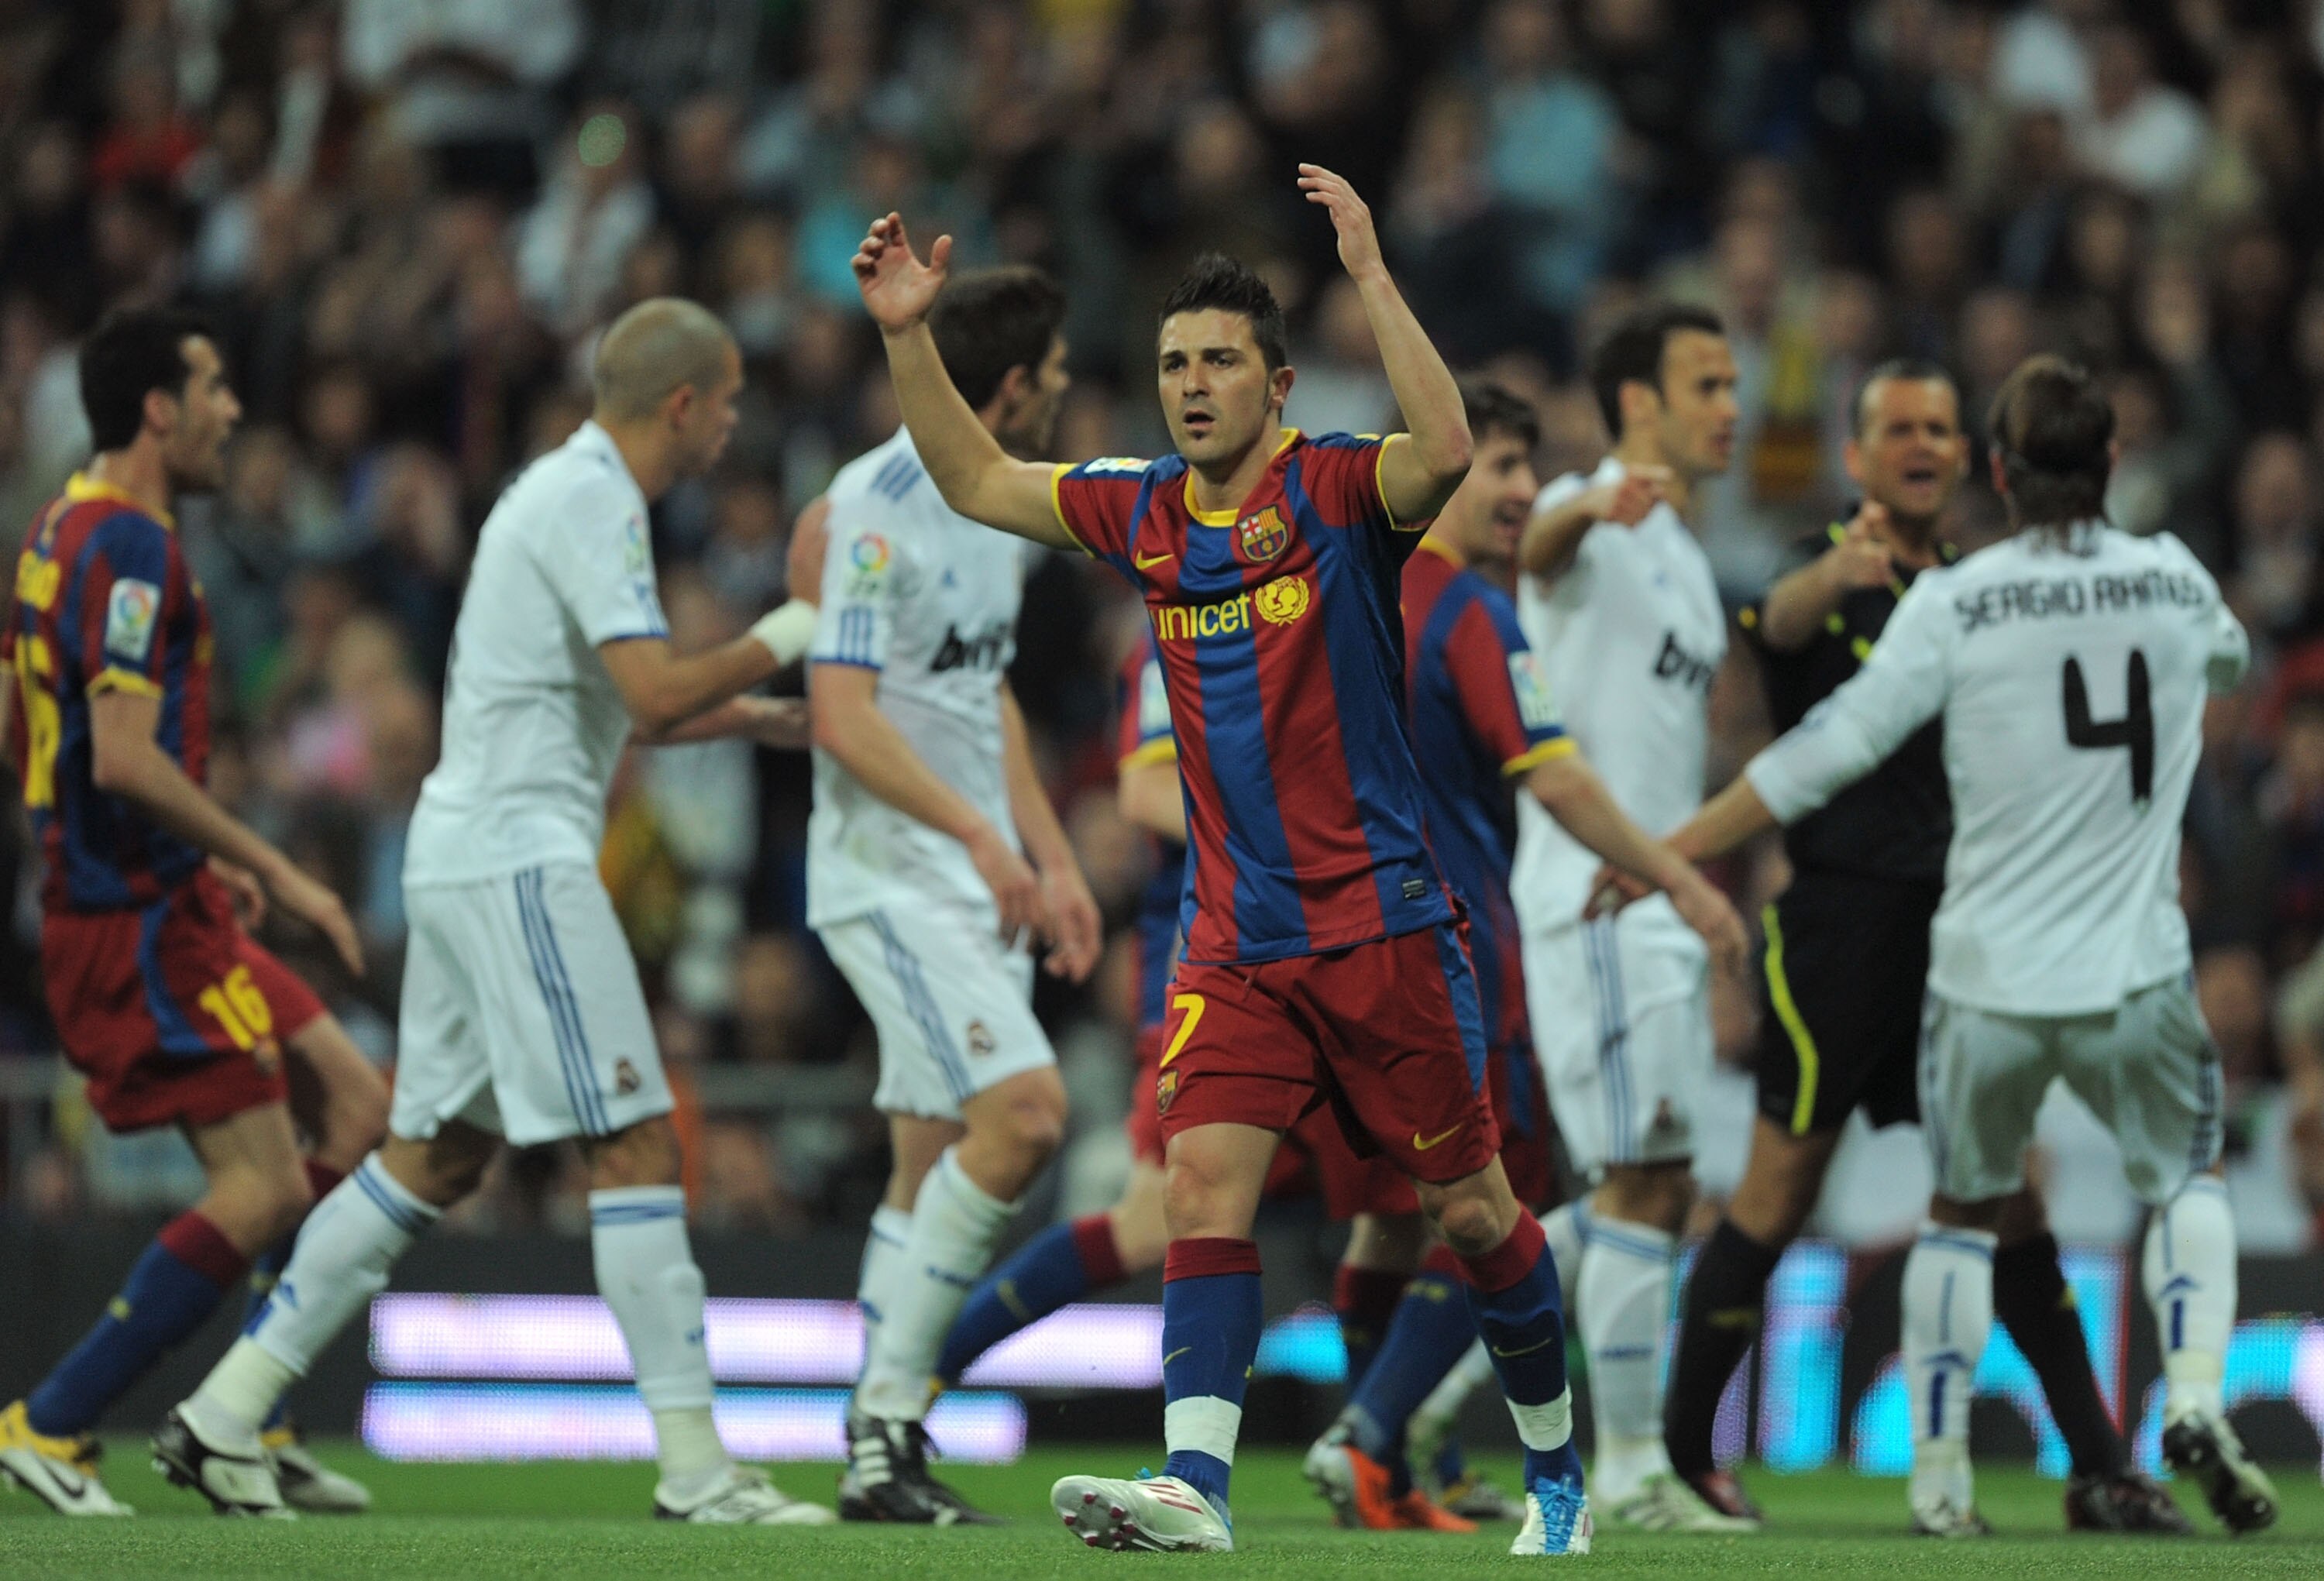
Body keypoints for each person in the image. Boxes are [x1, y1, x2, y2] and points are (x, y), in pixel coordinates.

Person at [857, 164, 1626, 1558]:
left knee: (1472, 1207)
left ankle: (1560, 1474)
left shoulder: (1339, 491)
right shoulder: (1142, 509)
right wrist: (911, 331)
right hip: (1235, 940)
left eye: (1220, 362)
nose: (1192, 384)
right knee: (1202, 1191)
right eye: (1173, 363)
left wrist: (1375, 275)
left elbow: (1444, 448)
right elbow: (973, 477)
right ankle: (1197, 1489)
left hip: (1385, 929)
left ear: (1277, 385)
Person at [163, 298, 834, 1524]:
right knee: (635, 1140)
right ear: (681, 404)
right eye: (728, 401)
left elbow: (630, 705)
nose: (735, 423)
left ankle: (221, 1413)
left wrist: (758, 715)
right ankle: (697, 1469)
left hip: (471, 849)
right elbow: (649, 682)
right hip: (520, 857)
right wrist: (798, 621)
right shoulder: (591, 501)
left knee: (437, 1154)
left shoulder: (559, 493)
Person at [1623, 355, 2273, 1537]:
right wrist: (1676, 852)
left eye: (1939, 425)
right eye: (1896, 428)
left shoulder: (1972, 591)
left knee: (1998, 1200)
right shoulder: (1831, 573)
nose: (1919, 444)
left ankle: (2090, 1461)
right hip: (1843, 928)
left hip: (1966, 929)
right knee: (1783, 1183)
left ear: (1982, 464)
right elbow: (1779, 633)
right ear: (1859, 454)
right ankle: (1683, 1450)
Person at [1301, 380, 1745, 1533]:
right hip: (1456, 944)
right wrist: (1685, 873)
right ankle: (1376, 1430)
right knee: (1506, 1196)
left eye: (1521, 470)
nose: (1516, 492)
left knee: (1402, 1212)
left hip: (1319, 942)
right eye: (1500, 466)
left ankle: (1388, 1457)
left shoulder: (1339, 592)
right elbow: (1553, 774)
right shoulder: (1471, 615)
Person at [0, 308, 387, 1518]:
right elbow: (118, 752)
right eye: (213, 389)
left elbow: (27, 724)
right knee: (264, 1184)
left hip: (162, 894)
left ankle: (253, 1417)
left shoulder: (60, 526)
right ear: (160, 409)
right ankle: (49, 1424)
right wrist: (278, 859)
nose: (231, 410)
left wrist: (171, 853)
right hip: (135, 919)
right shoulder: (130, 546)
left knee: (361, 1101)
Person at [803, 266, 1102, 1524]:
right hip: (892, 878)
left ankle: (881, 1452)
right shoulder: (875, 509)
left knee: (927, 1164)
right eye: (1062, 373)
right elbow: (842, 716)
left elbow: (985, 696)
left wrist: (1053, 853)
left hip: (973, 875)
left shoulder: (1003, 507)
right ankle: (883, 1420)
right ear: (1016, 385)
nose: (1072, 394)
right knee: (1029, 1115)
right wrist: (985, 839)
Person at [1507, 303, 1752, 1533]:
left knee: (1646, 1184)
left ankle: (1400, 1407)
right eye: (1707, 381)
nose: (1732, 403)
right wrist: (1585, 506)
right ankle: (1633, 1474)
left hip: (1650, 891)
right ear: (1639, 401)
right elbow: (1533, 557)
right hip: (1590, 891)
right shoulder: (1598, 513)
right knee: (1642, 1178)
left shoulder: (1688, 557)